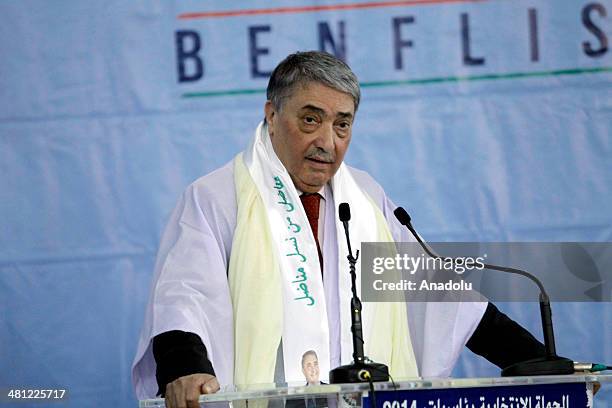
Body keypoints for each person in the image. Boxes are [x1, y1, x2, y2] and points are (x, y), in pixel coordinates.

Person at [132, 51, 547, 408]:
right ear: (271, 116)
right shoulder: (217, 196)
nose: (327, 142)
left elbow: (438, 294)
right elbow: (184, 295)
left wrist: (537, 363)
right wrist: (185, 369)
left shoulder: (364, 197)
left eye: (342, 125)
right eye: (310, 120)